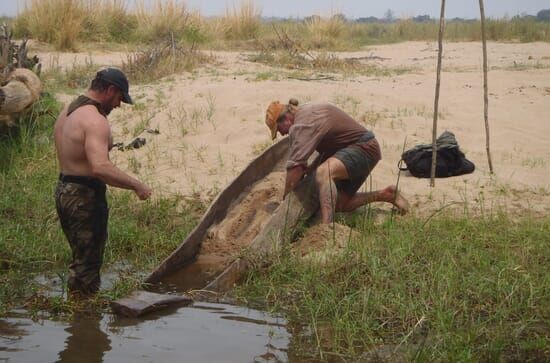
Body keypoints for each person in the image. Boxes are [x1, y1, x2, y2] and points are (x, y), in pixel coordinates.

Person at [54, 68, 152, 297]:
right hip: (83, 196)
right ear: (110, 90)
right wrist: (137, 185)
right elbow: (100, 166)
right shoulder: (95, 120)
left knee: (80, 259)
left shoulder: (69, 110)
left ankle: (78, 313)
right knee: (87, 265)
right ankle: (84, 322)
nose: (118, 105)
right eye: (120, 99)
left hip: (64, 189)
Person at [265, 99, 409, 224]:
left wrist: (286, 200)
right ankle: (387, 194)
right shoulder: (305, 113)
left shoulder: (301, 125)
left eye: (279, 130)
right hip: (355, 150)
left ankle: (326, 227)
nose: (281, 134)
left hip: (363, 148)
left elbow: (294, 168)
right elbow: (328, 149)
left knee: (324, 173)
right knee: (340, 203)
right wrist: (310, 169)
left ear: (287, 119)